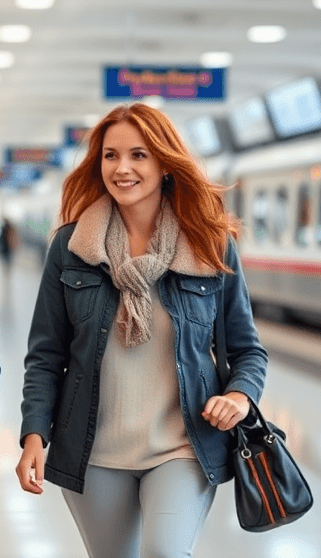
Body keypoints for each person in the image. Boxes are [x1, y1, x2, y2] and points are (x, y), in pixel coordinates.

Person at [16, 102, 268, 557]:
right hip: (93, 452)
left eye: (138, 155)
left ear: (165, 164)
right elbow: (46, 355)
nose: (122, 168)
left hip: (182, 445)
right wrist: (34, 432)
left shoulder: (210, 246)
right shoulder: (71, 247)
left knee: (164, 552)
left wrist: (239, 396)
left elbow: (248, 350)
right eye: (110, 156)